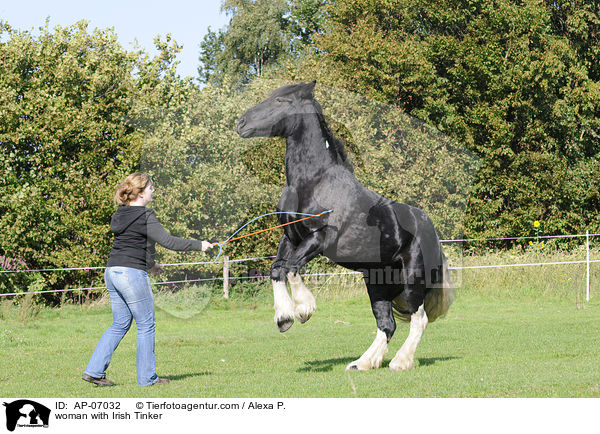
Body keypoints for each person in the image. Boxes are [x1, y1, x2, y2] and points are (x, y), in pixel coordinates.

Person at [82, 173, 212, 386]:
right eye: (151, 188)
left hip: (113, 271)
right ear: (141, 193)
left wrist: (151, 265)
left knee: (120, 323)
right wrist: (200, 245)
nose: (154, 191)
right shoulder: (144, 215)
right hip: (130, 274)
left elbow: (134, 243)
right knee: (146, 324)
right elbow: (168, 241)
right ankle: (147, 379)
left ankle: (94, 371)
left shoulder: (121, 214)